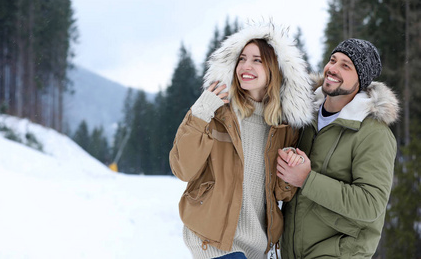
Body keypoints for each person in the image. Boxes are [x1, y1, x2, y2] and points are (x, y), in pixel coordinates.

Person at [169, 21, 314, 259]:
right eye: (242, 58)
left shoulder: (283, 128)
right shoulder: (216, 112)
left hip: (257, 247)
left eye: (257, 60)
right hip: (215, 242)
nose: (246, 66)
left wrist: (293, 167)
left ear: (274, 69)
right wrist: (200, 113)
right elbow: (182, 168)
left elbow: (281, 194)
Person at [276, 38, 400, 258]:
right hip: (292, 250)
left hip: (340, 252)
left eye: (346, 65)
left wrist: (306, 179)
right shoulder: (305, 116)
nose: (332, 69)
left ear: (360, 80)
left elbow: (370, 204)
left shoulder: (373, 134)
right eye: (333, 60)